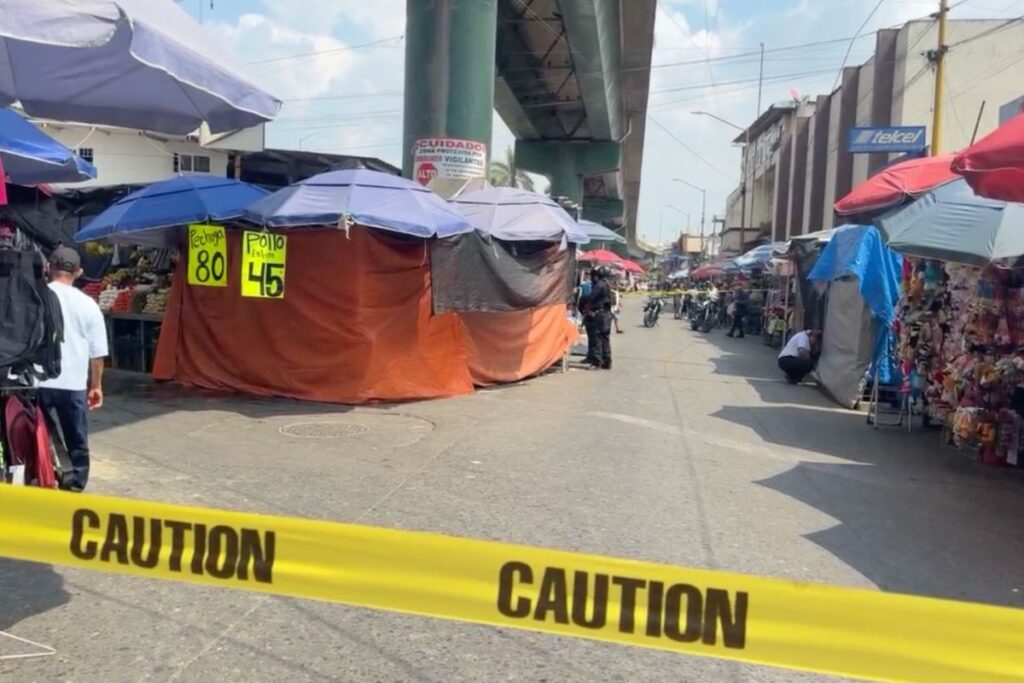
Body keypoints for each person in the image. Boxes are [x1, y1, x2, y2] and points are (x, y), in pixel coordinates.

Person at [39, 246, 109, 492]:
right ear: (78, 272)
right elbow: (97, 354)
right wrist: (96, 385)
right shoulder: (89, 304)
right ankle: (76, 485)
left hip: (38, 382)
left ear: (48, 267)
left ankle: (40, 477)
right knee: (76, 439)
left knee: (38, 434)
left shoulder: (36, 296)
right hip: (74, 385)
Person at [586, 267, 613, 369]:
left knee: (597, 337)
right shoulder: (607, 284)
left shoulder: (599, 285)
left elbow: (591, 297)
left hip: (599, 314)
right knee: (605, 338)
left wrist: (586, 305)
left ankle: (597, 362)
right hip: (606, 314)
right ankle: (607, 361)